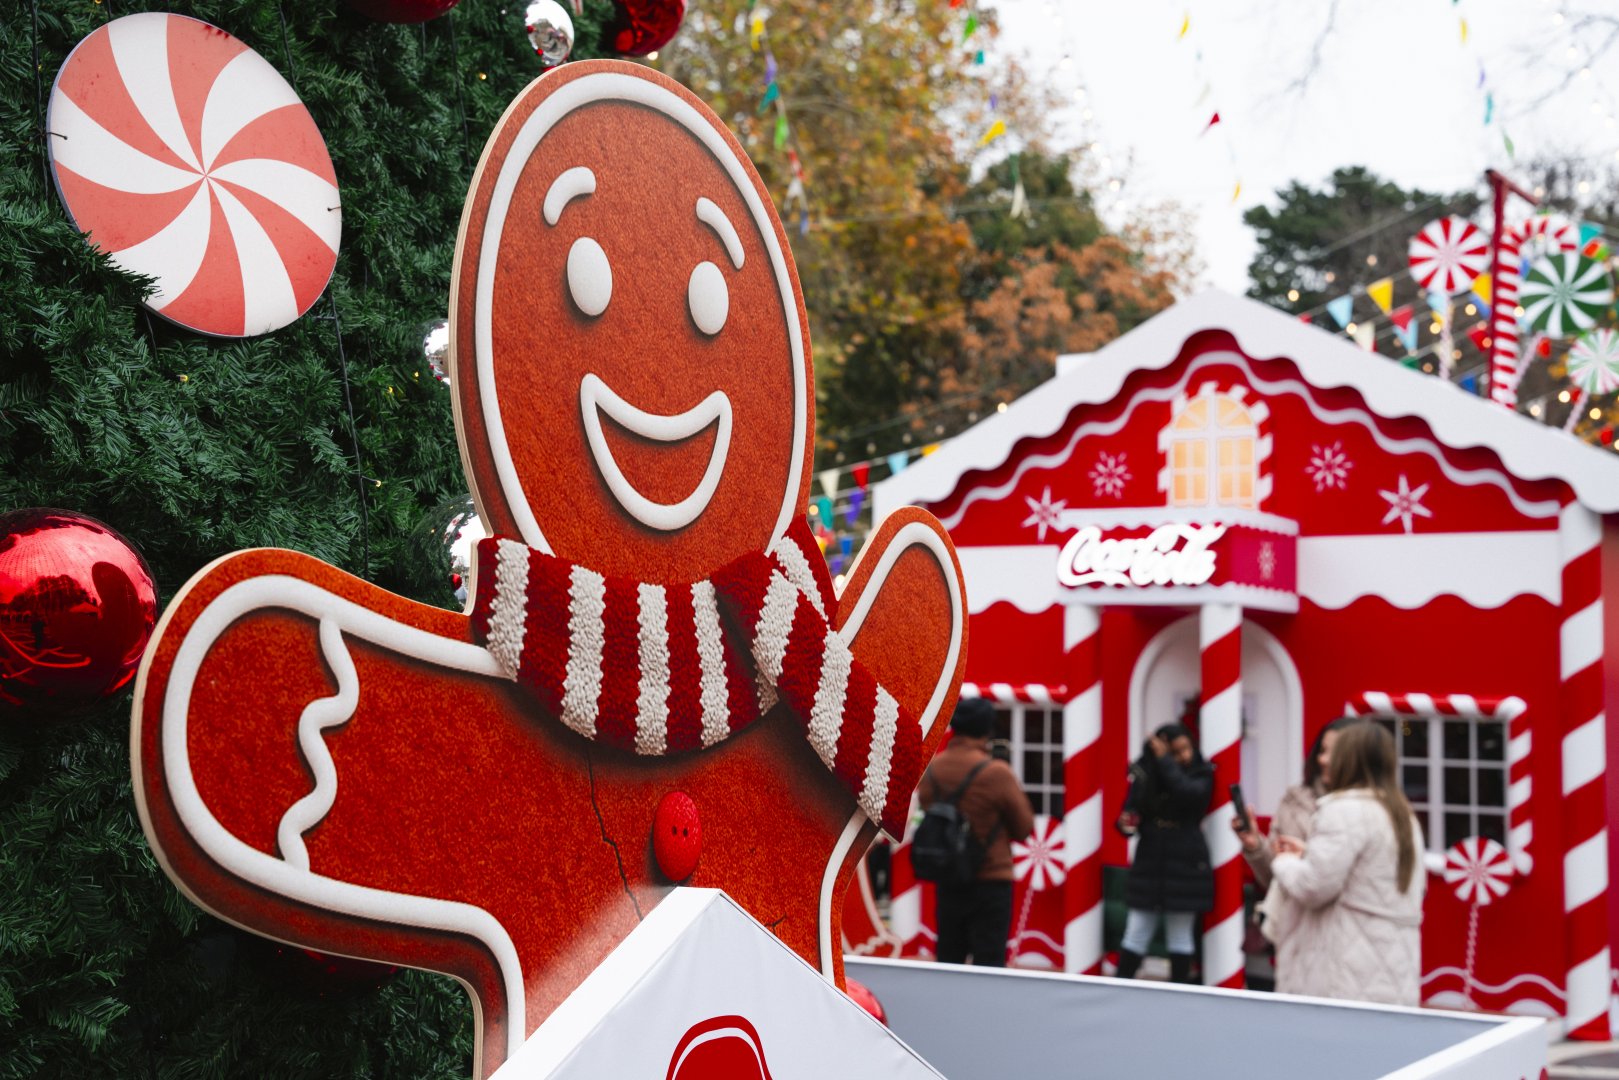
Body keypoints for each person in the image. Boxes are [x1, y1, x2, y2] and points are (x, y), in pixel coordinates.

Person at [1268, 720, 1425, 1005]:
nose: (1322, 759)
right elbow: (1367, 877)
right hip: (1390, 968)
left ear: (1350, 759)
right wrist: (1307, 853)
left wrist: (1285, 862)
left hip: (1343, 973)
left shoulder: (1343, 811)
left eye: (1330, 752)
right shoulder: (1401, 813)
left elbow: (1312, 887)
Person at [920, 698, 1035, 966]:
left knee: (949, 958)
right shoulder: (996, 772)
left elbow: (927, 806)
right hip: (991, 879)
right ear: (986, 729)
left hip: (948, 876)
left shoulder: (935, 769)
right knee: (989, 962)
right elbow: (1024, 827)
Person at [1114, 722, 1214, 984]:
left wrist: (1164, 760)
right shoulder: (1146, 773)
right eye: (1175, 752)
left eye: (1185, 749)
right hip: (1151, 857)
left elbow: (1187, 792)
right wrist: (1124, 824)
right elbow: (1131, 807)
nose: (1183, 757)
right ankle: (1120, 987)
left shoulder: (1202, 772)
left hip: (1186, 860)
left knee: (1180, 933)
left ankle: (1180, 991)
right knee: (1137, 929)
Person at [1232, 717, 1355, 891]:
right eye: (1323, 750)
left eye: (1335, 752)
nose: (1324, 760)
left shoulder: (1371, 809)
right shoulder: (1294, 800)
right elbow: (1274, 880)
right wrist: (1256, 845)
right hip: (1292, 914)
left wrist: (1305, 855)